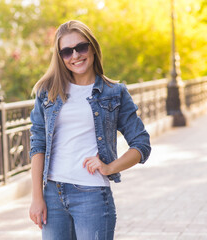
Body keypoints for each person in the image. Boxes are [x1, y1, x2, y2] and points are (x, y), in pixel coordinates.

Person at [29, 20, 151, 240]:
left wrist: (110, 167)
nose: (75, 55)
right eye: (66, 51)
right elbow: (38, 144)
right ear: (60, 57)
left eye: (81, 47)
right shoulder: (47, 92)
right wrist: (37, 197)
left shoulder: (114, 93)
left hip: (92, 195)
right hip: (53, 195)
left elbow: (141, 144)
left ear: (92, 47)